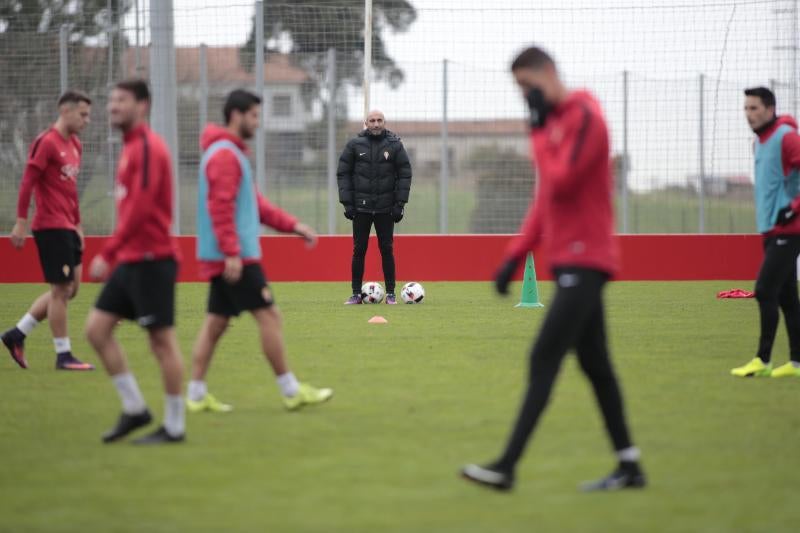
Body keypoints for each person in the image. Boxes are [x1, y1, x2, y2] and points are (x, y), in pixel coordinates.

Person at [461, 46, 645, 492]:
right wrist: (513, 256)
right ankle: (630, 467)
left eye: (529, 86)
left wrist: (539, 133)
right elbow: (544, 200)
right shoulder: (556, 124)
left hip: (587, 259)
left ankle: (506, 466)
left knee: (544, 356)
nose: (526, 96)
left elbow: (560, 182)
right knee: (596, 366)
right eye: (520, 90)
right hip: (569, 259)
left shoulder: (585, 118)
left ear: (549, 73)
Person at [187, 89, 332, 413]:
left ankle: (195, 395)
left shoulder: (230, 153)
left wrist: (294, 226)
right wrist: (232, 253)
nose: (258, 122)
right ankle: (291, 390)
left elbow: (256, 205)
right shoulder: (225, 155)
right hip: (236, 257)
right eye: (254, 115)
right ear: (236, 115)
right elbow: (220, 207)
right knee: (269, 316)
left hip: (227, 254)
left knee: (215, 324)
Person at [84, 79, 185, 445]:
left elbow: (140, 209)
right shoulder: (128, 147)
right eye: (110, 99)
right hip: (131, 260)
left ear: (142, 105)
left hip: (151, 260)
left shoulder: (146, 147)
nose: (112, 106)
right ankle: (134, 409)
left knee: (161, 343)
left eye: (121, 100)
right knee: (96, 330)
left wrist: (108, 252)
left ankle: (174, 426)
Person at [2, 90, 94, 371]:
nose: (87, 120)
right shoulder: (47, 143)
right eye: (83, 114)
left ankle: (16, 334)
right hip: (49, 226)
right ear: (65, 111)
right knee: (61, 289)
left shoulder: (76, 145)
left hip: (68, 225)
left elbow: (70, 189)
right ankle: (63, 355)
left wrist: (78, 223)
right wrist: (21, 220)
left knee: (70, 289)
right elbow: (28, 182)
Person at [731, 87, 800, 378]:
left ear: (770, 109)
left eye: (754, 108)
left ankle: (763, 359)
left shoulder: (787, 137)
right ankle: (797, 364)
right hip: (771, 229)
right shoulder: (758, 143)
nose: (749, 114)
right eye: (746, 109)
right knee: (787, 298)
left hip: (790, 227)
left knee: (764, 290)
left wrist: (794, 207)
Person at [337, 110, 412, 305]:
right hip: (361, 209)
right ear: (366, 123)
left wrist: (400, 204)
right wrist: (347, 203)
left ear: (385, 122)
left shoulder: (395, 145)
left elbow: (405, 174)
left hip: (386, 209)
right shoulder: (354, 145)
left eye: (379, 120)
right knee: (358, 250)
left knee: (386, 249)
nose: (376, 124)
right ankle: (355, 294)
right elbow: (343, 173)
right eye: (372, 121)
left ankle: (391, 294)